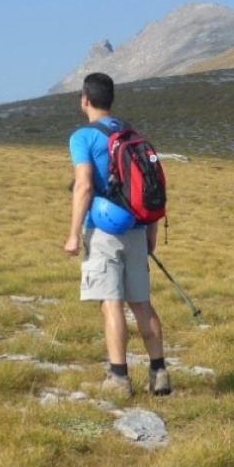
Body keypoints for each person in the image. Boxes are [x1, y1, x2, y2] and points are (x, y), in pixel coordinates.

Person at [63, 72, 170, 399]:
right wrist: (150, 230)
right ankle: (159, 372)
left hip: (105, 230)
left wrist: (71, 234)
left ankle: (119, 377)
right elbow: (149, 184)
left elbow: (83, 185)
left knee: (111, 304)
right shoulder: (131, 133)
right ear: (111, 99)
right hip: (138, 229)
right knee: (141, 304)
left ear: (84, 99)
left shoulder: (83, 137)